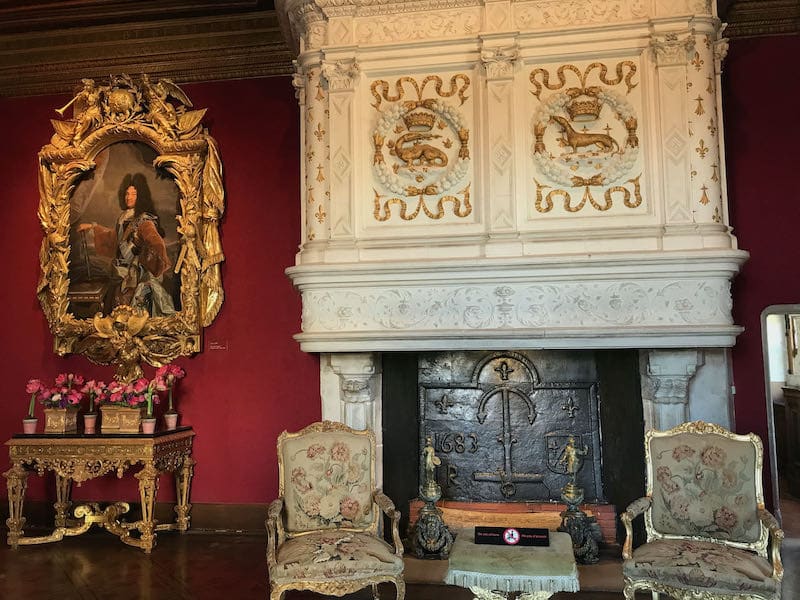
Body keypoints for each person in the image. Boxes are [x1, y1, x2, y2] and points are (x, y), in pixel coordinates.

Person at [77, 173, 175, 316]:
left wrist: (143, 256)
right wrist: (92, 227)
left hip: (134, 276)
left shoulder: (144, 220)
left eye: (133, 194)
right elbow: (116, 237)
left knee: (134, 312)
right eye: (127, 193)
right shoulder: (124, 217)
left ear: (140, 196)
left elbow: (156, 243)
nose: (129, 197)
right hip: (120, 271)